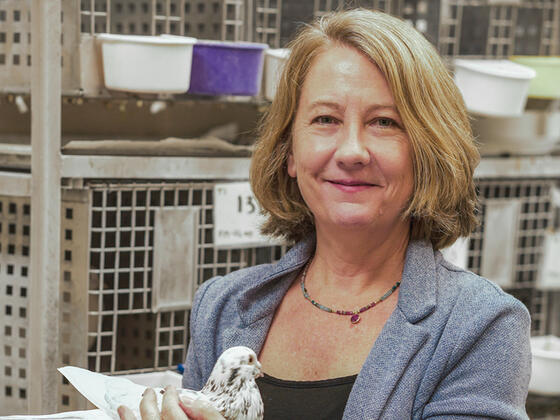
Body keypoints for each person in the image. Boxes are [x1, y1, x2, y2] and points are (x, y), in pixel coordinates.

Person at [119, 8, 531, 420]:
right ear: (290, 152)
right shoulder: (224, 306)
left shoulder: (482, 326)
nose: (351, 151)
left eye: (384, 122)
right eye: (325, 119)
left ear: (427, 153)